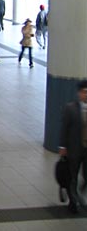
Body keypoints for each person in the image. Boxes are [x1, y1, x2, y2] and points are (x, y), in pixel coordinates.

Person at [59, 80, 87, 214]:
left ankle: (81, 195)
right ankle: (73, 201)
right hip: (74, 149)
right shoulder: (70, 108)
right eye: (84, 92)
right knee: (72, 176)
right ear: (79, 93)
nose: (86, 95)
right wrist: (63, 146)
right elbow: (64, 129)